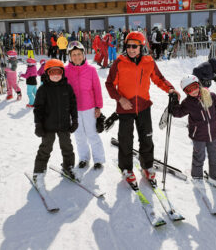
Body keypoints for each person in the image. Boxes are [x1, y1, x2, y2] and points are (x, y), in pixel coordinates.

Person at [105, 31, 180, 185]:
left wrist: (171, 89)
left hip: (144, 106)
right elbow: (110, 84)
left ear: (142, 47)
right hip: (126, 107)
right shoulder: (119, 62)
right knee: (125, 140)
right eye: (128, 46)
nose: (131, 49)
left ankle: (147, 166)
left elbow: (159, 79)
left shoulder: (149, 62)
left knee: (147, 138)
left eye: (135, 46)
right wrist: (120, 99)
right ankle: (126, 168)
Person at [170, 74, 216, 189]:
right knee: (199, 157)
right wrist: (174, 103)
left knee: (215, 157)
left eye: (194, 87)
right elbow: (178, 113)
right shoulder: (188, 103)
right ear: (186, 92)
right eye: (189, 90)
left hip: (213, 134)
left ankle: (215, 177)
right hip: (198, 135)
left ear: (199, 84)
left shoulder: (211, 96)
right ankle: (197, 177)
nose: (193, 91)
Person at [33, 59, 78, 184]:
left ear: (62, 73)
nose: (56, 75)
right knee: (45, 149)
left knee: (67, 147)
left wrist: (74, 119)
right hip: (48, 126)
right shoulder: (43, 90)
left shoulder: (67, 88)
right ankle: (39, 171)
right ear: (47, 73)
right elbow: (38, 109)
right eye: (52, 72)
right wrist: (38, 125)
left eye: (58, 72)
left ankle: (68, 166)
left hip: (64, 125)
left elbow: (73, 105)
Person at [65, 41, 105, 169]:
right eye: (74, 54)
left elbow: (97, 89)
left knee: (92, 134)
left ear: (83, 54)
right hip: (74, 110)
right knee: (79, 135)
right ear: (70, 57)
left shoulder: (91, 70)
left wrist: (98, 107)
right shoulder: (65, 71)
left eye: (79, 54)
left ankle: (98, 159)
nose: (77, 57)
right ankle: (83, 158)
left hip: (89, 108)